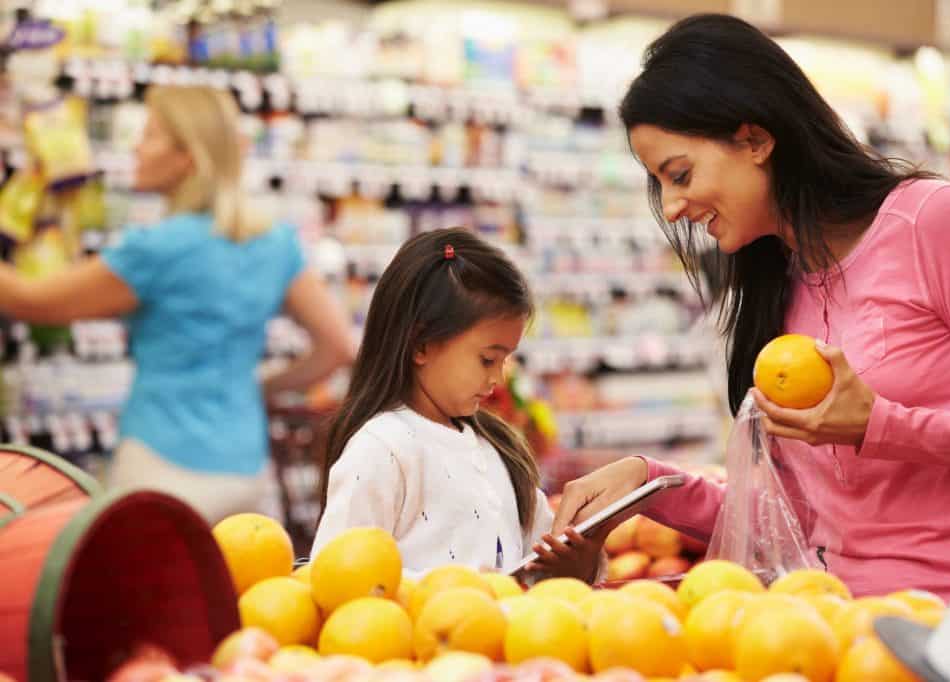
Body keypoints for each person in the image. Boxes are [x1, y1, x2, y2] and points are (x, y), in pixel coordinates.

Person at [551, 14, 950, 599]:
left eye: (679, 174)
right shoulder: (781, 284)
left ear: (755, 139)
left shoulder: (931, 224)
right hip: (829, 625)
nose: (671, 207)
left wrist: (883, 427)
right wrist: (649, 485)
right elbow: (789, 517)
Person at [0, 85, 355, 523]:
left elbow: (30, 302)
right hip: (245, 465)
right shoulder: (275, 241)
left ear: (188, 156)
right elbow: (337, 347)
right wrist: (257, 388)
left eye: (149, 135)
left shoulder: (156, 251)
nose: (135, 147)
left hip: (161, 461)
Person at [312, 227, 602, 578]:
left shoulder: (499, 448)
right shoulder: (382, 449)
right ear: (421, 344)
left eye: (506, 359)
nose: (498, 379)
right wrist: (459, 588)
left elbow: (536, 563)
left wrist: (578, 564)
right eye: (487, 359)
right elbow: (336, 575)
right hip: (410, 632)